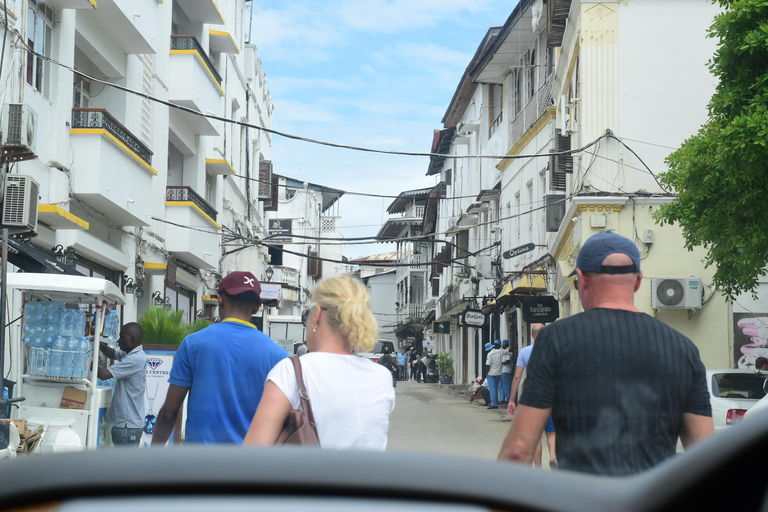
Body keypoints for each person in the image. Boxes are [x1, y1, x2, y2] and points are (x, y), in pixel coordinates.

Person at [498, 232, 714, 475]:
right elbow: (705, 458)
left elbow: (518, 450)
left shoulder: (556, 340)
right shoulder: (683, 348)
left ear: (582, 279)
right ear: (639, 280)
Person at [244, 275, 396, 449]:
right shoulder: (382, 377)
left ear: (316, 315)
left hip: (310, 477)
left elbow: (252, 455)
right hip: (369, 477)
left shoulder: (290, 371)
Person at [152, 271, 287, 445]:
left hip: (201, 463)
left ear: (220, 299)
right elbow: (280, 419)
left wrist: (152, 454)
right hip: (251, 464)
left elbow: (170, 411)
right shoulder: (278, 355)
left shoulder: (193, 344)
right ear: (256, 308)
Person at [507, 323, 555, 468]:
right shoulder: (554, 350)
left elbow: (517, 377)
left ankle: (538, 469)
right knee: (551, 431)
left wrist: (511, 400)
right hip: (552, 396)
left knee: (536, 435)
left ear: (532, 335)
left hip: (533, 398)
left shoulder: (525, 352)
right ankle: (553, 456)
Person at [97, 322, 147, 447]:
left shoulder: (134, 359)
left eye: (122, 337)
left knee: (126, 465)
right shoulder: (132, 353)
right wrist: (97, 344)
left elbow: (103, 375)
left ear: (133, 339)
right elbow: (112, 354)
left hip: (127, 426)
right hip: (129, 424)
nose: (118, 341)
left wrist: (87, 359)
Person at [484, 340, 503, 410]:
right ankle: (496, 402)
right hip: (498, 373)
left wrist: (486, 373)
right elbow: (508, 350)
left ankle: (494, 404)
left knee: (492, 389)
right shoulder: (499, 351)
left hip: (491, 374)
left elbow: (488, 365)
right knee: (497, 388)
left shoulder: (489, 354)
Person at [500, 339, 512, 404]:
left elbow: (508, 361)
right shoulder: (504, 351)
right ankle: (502, 398)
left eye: (504, 345)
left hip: (507, 370)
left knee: (506, 385)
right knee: (502, 386)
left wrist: (500, 363)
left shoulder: (509, 351)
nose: (503, 346)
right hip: (502, 370)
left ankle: (508, 399)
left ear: (507, 345)